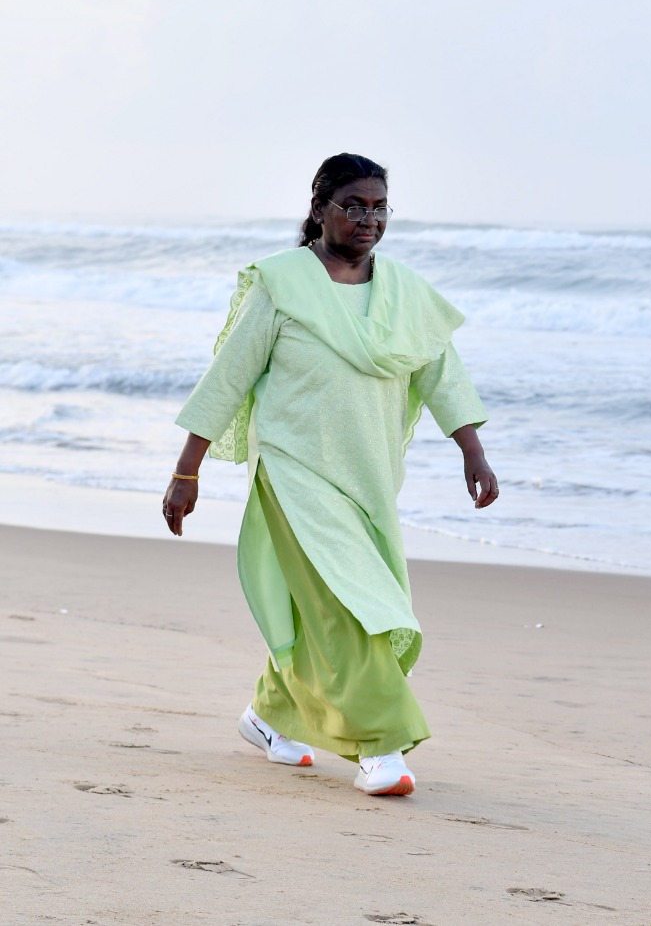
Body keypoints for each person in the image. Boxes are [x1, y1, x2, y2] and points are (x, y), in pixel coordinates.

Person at [162, 153, 498, 797]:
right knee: (352, 608)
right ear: (320, 210)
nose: (367, 219)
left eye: (379, 207)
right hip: (294, 472)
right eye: (353, 205)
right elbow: (228, 377)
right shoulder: (282, 283)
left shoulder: (405, 293)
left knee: (328, 603)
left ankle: (269, 715)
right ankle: (382, 747)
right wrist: (187, 471)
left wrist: (472, 452)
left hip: (369, 479)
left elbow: (441, 376)